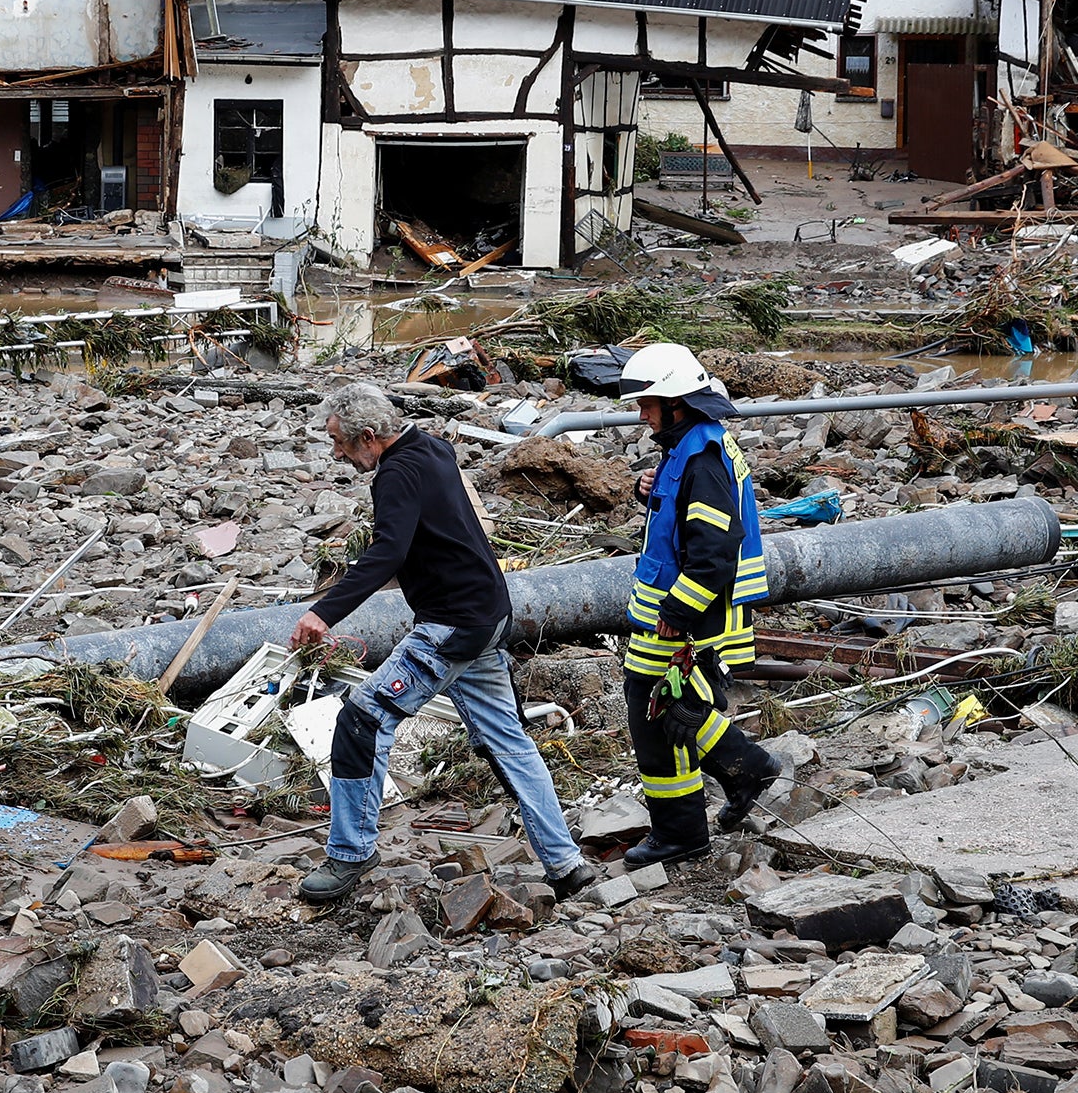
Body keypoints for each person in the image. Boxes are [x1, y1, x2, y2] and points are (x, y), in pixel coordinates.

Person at [289, 381, 601, 904]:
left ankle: (350, 854)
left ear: (369, 436)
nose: (338, 453)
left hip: (451, 627)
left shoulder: (396, 473)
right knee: (508, 742)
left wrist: (324, 612)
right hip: (489, 616)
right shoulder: (431, 446)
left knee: (362, 720)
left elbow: (387, 551)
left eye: (341, 442)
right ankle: (566, 865)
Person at [616, 342, 780, 868]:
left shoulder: (701, 458)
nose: (641, 415)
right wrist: (651, 491)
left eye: (648, 404)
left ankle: (727, 786)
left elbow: (712, 554)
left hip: (692, 616)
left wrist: (680, 613)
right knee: (662, 709)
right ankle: (695, 817)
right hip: (680, 612)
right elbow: (681, 521)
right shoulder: (689, 446)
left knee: (663, 711)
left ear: (677, 402)